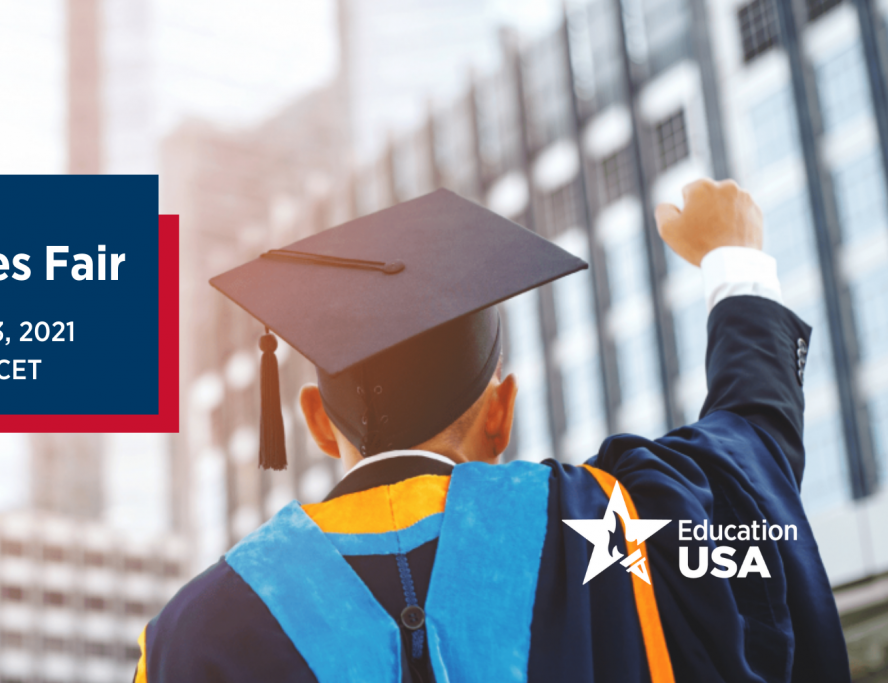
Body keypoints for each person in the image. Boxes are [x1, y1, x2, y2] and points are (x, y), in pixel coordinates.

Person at [133, 180, 850, 682]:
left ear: (317, 422)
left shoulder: (186, 638)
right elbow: (751, 449)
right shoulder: (621, 526)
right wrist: (735, 257)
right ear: (499, 411)